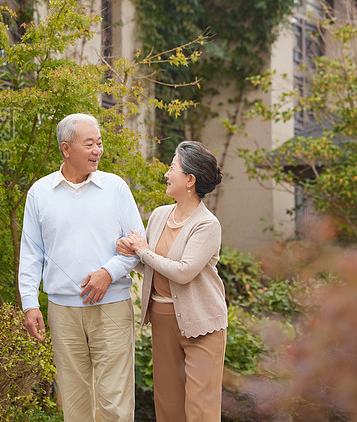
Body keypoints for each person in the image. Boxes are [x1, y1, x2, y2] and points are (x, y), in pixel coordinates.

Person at [18, 113, 144, 422]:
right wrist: (29, 302)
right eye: (89, 144)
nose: (97, 150)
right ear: (66, 148)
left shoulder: (116, 188)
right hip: (63, 311)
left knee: (115, 403)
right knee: (74, 404)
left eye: (99, 143)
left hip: (112, 306)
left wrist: (108, 273)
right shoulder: (40, 193)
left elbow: (140, 244)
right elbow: (31, 252)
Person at [117, 140, 227, 422]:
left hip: (202, 323)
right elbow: (153, 267)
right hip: (164, 318)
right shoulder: (159, 215)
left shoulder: (207, 224)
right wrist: (131, 251)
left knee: (200, 409)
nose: (166, 174)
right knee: (167, 404)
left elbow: (182, 271)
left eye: (172, 167)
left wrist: (144, 251)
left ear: (189, 180)